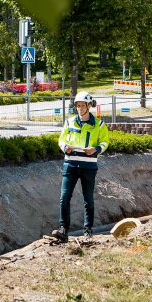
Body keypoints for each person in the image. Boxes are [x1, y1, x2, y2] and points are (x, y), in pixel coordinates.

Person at [51, 91, 109, 243]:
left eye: (83, 105)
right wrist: (65, 148)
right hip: (70, 164)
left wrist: (96, 149)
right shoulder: (69, 122)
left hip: (88, 167)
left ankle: (88, 231)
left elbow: (105, 142)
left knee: (88, 200)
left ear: (89, 106)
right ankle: (63, 229)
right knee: (64, 198)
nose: (80, 108)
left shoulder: (99, 125)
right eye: (78, 106)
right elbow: (61, 140)